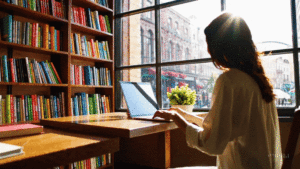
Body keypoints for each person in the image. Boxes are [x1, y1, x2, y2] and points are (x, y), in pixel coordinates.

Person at [153, 12, 282, 169]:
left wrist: (177, 118)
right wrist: (186, 115)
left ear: (221, 48)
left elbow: (211, 144)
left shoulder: (229, 80)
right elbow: (225, 128)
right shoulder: (258, 81)